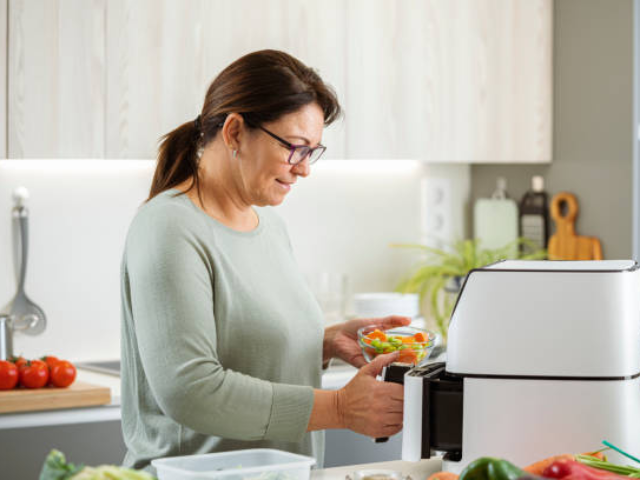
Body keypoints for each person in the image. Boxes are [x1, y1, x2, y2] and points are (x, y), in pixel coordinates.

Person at [120, 49, 409, 472]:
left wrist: (320, 343)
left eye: (312, 151)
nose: (304, 169)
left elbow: (242, 343)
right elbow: (190, 389)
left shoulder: (269, 226)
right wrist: (341, 409)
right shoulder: (168, 226)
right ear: (235, 131)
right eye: (294, 147)